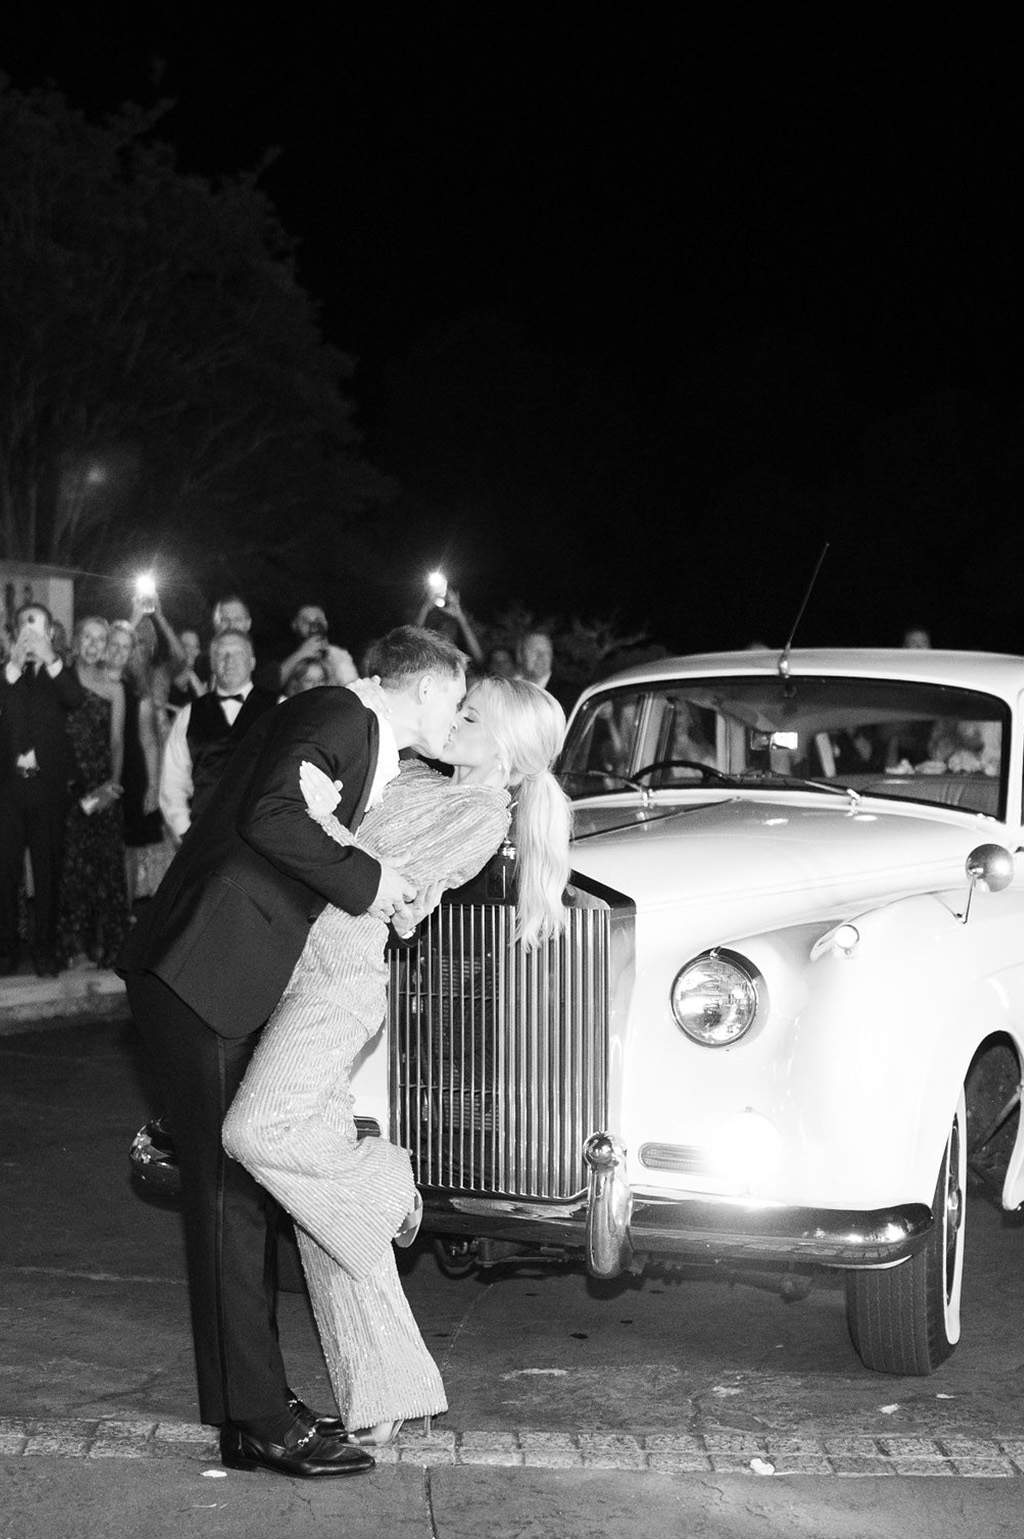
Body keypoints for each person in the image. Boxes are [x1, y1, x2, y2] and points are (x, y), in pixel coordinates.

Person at [117, 625, 467, 1478]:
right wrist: (371, 878)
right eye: (457, 700)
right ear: (423, 688)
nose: (458, 717)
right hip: (205, 969)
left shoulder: (351, 728)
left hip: (212, 970)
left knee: (236, 1201)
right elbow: (269, 812)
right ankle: (263, 1422)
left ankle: (250, 1414)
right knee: (230, 1205)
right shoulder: (344, 714)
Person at [222, 674, 571, 1446]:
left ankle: (390, 1187)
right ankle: (388, 1390)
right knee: (319, 1211)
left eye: (470, 714)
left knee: (255, 1132)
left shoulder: (481, 814)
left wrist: (308, 806)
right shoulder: (413, 774)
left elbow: (372, 875)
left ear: (508, 752)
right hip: (293, 965)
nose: (453, 719)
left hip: (339, 984)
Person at [0, 603, 86, 976]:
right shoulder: (7, 675)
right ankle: (5, 950)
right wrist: (14, 667)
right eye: (24, 627)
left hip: (48, 791)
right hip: (8, 791)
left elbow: (76, 700)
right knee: (5, 873)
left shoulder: (58, 674)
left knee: (48, 872)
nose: (30, 635)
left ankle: (44, 950)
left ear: (50, 633)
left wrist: (50, 657)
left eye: (37, 628)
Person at [56, 617, 130, 969]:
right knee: (71, 870)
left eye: (100, 639)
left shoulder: (115, 688)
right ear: (75, 640)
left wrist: (113, 786)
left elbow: (117, 742)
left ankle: (103, 946)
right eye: (87, 637)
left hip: (102, 787)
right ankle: (72, 945)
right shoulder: (60, 679)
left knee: (104, 870)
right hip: (68, 787)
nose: (93, 644)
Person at [159, 629, 278, 844]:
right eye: (222, 654)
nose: (229, 660)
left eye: (237, 654)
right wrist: (185, 832)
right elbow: (172, 781)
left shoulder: (281, 707)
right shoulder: (189, 715)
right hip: (205, 841)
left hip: (265, 843)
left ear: (252, 662)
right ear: (213, 663)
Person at [278, 604, 359, 693]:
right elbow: (274, 682)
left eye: (318, 621)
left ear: (326, 623)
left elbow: (353, 688)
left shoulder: (339, 655)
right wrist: (302, 653)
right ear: (294, 625)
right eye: (305, 622)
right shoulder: (283, 653)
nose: (313, 626)